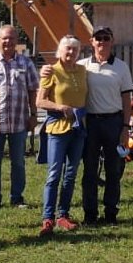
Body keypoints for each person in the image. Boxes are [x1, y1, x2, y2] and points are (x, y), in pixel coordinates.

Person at [64, 26, 132, 226]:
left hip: (113, 121)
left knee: (113, 170)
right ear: (91, 41)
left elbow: (127, 98)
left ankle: (111, 213)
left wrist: (126, 127)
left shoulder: (121, 67)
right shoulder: (82, 66)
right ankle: (90, 214)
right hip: (90, 122)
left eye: (106, 38)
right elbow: (65, 77)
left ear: (112, 41)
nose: (102, 42)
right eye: (98, 38)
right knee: (90, 170)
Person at [0, 24, 39, 210]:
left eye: (11, 38)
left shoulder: (26, 63)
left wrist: (33, 114)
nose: (8, 42)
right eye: (4, 38)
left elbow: (33, 91)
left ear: (16, 41)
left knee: (18, 162)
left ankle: (17, 197)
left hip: (19, 122)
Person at [36, 35, 88, 235]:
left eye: (74, 49)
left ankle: (63, 215)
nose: (71, 52)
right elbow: (40, 101)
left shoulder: (82, 70)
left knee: (71, 174)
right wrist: (59, 107)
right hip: (57, 129)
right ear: (60, 51)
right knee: (54, 174)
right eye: (67, 49)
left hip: (78, 129)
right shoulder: (51, 71)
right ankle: (47, 218)